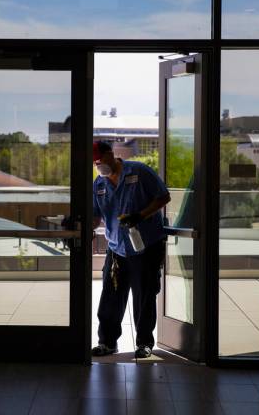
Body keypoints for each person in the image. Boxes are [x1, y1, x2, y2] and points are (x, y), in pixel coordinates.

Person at [91, 141, 171, 358]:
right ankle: (107, 342)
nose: (98, 165)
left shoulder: (139, 171)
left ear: (111, 154)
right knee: (110, 297)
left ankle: (144, 343)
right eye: (95, 162)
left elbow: (163, 196)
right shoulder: (99, 184)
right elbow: (95, 216)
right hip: (117, 249)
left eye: (100, 160)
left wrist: (140, 215)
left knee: (144, 297)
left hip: (146, 247)